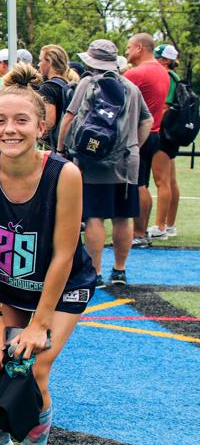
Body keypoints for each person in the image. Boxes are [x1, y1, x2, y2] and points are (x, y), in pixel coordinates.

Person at [0, 64, 95, 445]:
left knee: (32, 368)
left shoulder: (64, 174)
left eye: (21, 121)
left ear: (43, 125)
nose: (10, 129)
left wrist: (38, 325)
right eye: (1, 120)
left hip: (59, 289)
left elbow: (62, 254)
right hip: (7, 290)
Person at [57, 39, 152, 287]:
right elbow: (146, 121)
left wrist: (62, 149)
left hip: (91, 162)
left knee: (94, 217)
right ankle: (119, 270)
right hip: (124, 163)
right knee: (123, 217)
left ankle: (96, 272)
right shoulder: (131, 87)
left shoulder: (87, 84)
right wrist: (134, 146)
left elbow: (70, 118)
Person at [124, 34, 170, 249]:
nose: (127, 51)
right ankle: (141, 232)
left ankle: (139, 233)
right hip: (154, 132)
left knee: (139, 184)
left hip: (138, 134)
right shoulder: (163, 72)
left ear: (139, 48)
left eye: (129, 47)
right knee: (144, 184)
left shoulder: (136, 73)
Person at [150, 44, 182, 239]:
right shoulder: (176, 77)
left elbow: (165, 106)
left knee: (161, 181)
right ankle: (169, 224)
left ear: (164, 60)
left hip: (163, 132)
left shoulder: (167, 77)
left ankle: (160, 226)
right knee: (170, 180)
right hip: (173, 132)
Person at [37, 44, 79, 150]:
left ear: (49, 62)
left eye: (41, 60)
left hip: (51, 147)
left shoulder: (48, 87)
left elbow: (49, 123)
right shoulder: (67, 84)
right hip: (66, 144)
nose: (39, 64)